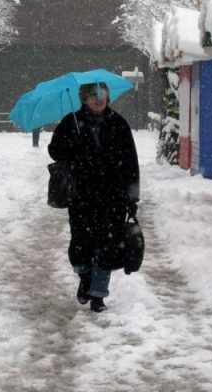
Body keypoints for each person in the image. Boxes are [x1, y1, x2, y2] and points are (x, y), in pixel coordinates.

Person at [48, 81, 139, 313]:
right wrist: (70, 141)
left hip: (112, 197)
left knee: (107, 246)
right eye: (93, 96)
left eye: (102, 95)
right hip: (81, 195)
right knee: (80, 244)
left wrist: (132, 197)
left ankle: (98, 295)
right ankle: (85, 277)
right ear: (84, 99)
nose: (98, 100)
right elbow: (55, 151)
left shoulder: (119, 124)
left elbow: (130, 163)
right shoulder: (72, 122)